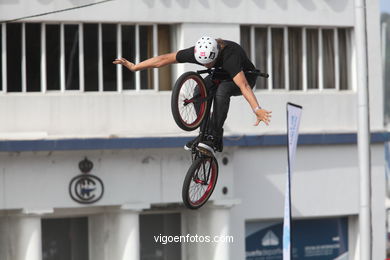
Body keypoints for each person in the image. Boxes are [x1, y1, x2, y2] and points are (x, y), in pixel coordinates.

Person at [113, 36, 272, 155]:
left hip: (244, 77)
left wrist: (256, 109)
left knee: (222, 91)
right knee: (198, 91)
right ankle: (204, 133)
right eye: (202, 63)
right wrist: (135, 67)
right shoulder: (198, 51)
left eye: (208, 63)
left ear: (216, 54)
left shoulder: (230, 56)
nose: (205, 65)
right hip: (219, 74)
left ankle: (215, 136)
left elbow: (243, 86)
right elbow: (164, 59)